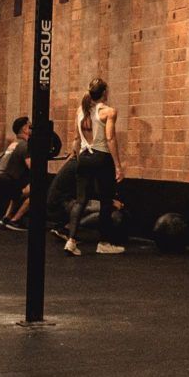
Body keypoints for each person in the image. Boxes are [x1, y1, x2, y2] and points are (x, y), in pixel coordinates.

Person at [64, 77, 125, 256]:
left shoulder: (80, 111)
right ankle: (103, 242)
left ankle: (71, 241)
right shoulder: (108, 112)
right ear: (105, 93)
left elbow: (76, 139)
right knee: (106, 201)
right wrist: (118, 166)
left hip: (84, 157)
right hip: (101, 157)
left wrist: (76, 157)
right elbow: (110, 139)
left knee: (80, 200)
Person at [47, 153, 128, 243]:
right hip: (62, 204)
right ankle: (69, 227)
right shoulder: (87, 165)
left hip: (57, 202)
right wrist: (112, 202)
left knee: (99, 206)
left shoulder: (79, 160)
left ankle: (69, 228)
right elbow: (92, 192)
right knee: (111, 212)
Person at [0, 116, 31, 231]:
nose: (32, 129)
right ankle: (15, 220)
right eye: (30, 126)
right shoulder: (25, 145)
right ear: (24, 129)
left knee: (18, 194)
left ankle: (6, 218)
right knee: (37, 191)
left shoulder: (13, 144)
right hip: (5, 180)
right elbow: (32, 167)